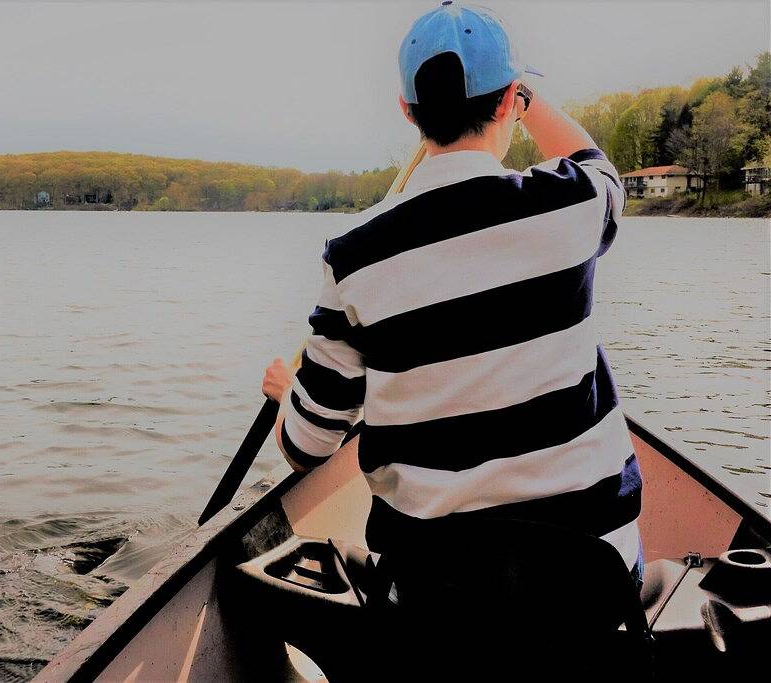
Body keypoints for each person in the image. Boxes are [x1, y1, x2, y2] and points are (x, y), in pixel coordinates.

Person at [261, 0, 645, 604]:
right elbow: (598, 165)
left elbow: (306, 450)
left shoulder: (354, 256)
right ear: (511, 100)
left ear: (406, 110)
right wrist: (526, 95)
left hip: (435, 592)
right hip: (589, 584)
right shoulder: (570, 204)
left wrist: (289, 394)